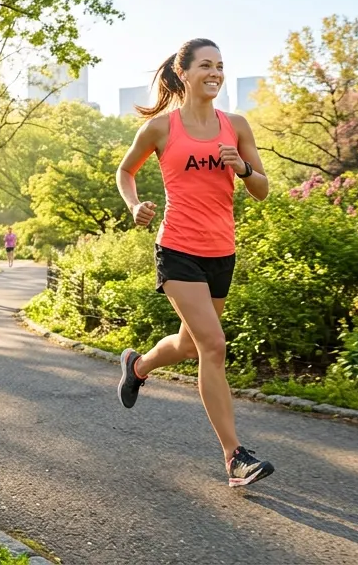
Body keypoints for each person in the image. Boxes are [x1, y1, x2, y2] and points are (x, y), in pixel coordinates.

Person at [113, 38, 275, 487]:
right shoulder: (161, 129)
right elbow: (126, 171)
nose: (216, 73)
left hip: (222, 251)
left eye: (221, 66)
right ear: (183, 72)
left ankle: (138, 365)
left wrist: (242, 166)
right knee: (214, 345)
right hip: (178, 248)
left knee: (190, 345)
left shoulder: (236, 125)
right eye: (206, 65)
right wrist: (134, 206)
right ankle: (234, 458)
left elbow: (261, 189)